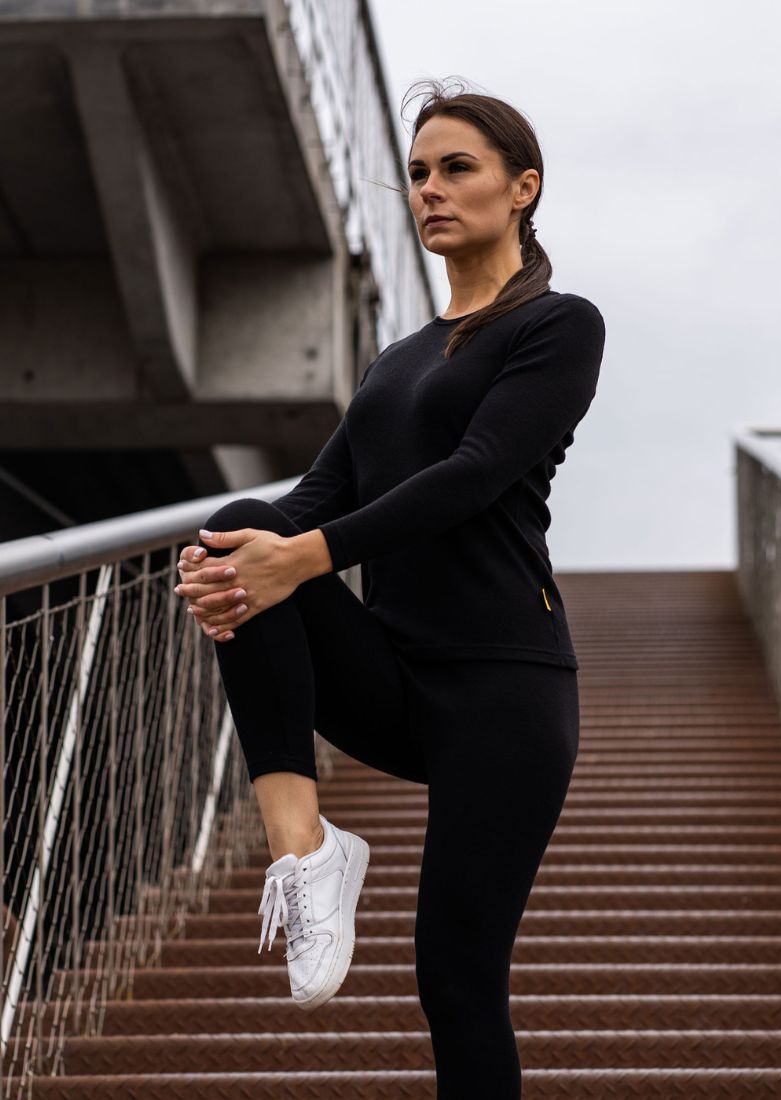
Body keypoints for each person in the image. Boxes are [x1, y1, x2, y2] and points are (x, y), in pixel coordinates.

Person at [174, 77, 606, 1098]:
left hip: (504, 690)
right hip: (393, 674)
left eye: (456, 169)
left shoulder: (555, 325)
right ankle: (305, 843)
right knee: (252, 534)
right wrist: (220, 551)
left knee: (454, 979)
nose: (430, 191)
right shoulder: (392, 362)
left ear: (521, 187)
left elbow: (473, 474)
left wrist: (302, 556)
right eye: (416, 174)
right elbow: (311, 496)